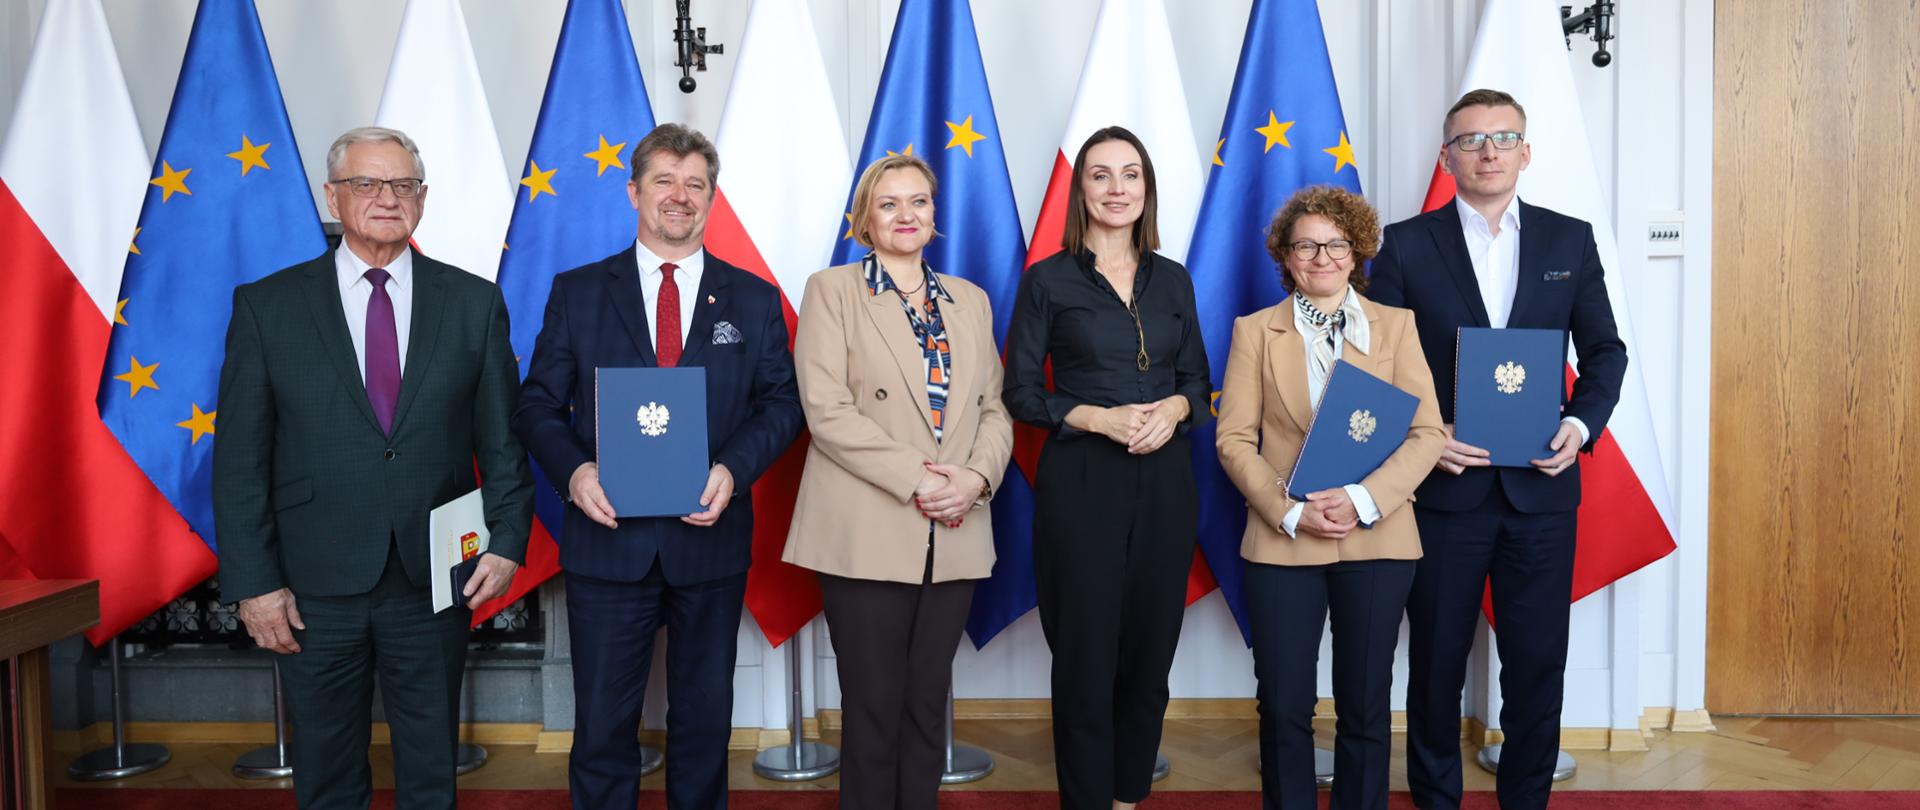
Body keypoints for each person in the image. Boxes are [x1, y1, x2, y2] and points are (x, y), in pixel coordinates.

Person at [213, 126, 533, 810]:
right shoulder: (268, 306)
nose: (387, 198)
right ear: (333, 195)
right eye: (367, 183)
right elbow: (239, 461)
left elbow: (503, 441)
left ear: (422, 198)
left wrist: (507, 542)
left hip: (433, 579)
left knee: (430, 768)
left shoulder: (473, 303)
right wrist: (254, 584)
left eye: (403, 185)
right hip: (311, 584)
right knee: (326, 771)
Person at [512, 123, 803, 810]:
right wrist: (577, 474)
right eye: (665, 181)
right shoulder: (578, 292)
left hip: (710, 539)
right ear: (634, 190)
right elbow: (537, 406)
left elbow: (783, 405)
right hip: (607, 541)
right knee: (604, 727)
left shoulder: (754, 299)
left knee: (703, 723)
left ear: (710, 197)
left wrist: (733, 469)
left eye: (695, 184)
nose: (680, 196)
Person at [1367, 89, 1628, 810]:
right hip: (1445, 491)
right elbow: (1376, 363)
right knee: (1435, 666)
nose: (1488, 151)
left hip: (1542, 493)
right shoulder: (1404, 244)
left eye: (1503, 137)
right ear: (1446, 157)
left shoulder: (1567, 240)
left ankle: (1526, 799)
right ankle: (1434, 799)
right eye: (1472, 140)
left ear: (1526, 152)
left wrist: (1578, 429)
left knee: (1538, 666)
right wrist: (1426, 436)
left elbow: (1605, 353)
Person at [783, 154, 1013, 810]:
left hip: (957, 526)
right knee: (874, 705)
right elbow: (826, 411)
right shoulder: (832, 290)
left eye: (918, 202)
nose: (906, 215)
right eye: (889, 204)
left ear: (935, 217)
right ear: (865, 219)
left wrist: (973, 479)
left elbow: (994, 408)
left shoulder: (970, 300)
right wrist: (922, 480)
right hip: (868, 526)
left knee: (925, 702)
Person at [1214, 186, 1445, 809]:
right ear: (1286, 257)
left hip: (1378, 535)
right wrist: (1290, 509)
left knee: (1366, 703)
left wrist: (1364, 499)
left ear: (1358, 250)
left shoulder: (1397, 327)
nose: (1322, 257)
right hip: (1283, 536)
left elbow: (1427, 433)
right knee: (1285, 704)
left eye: (1335, 244)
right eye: (1306, 245)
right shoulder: (1254, 332)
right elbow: (1233, 439)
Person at [1002, 126, 1211, 810]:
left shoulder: (1173, 276)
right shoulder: (1048, 279)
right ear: (1081, 189)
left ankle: (1127, 797)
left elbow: (1198, 381)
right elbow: (1021, 392)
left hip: (1167, 481)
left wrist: (1176, 408)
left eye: (1130, 175)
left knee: (1151, 653)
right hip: (1082, 480)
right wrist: (1097, 415)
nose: (1117, 189)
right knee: (1087, 656)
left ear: (1146, 188)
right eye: (1101, 175)